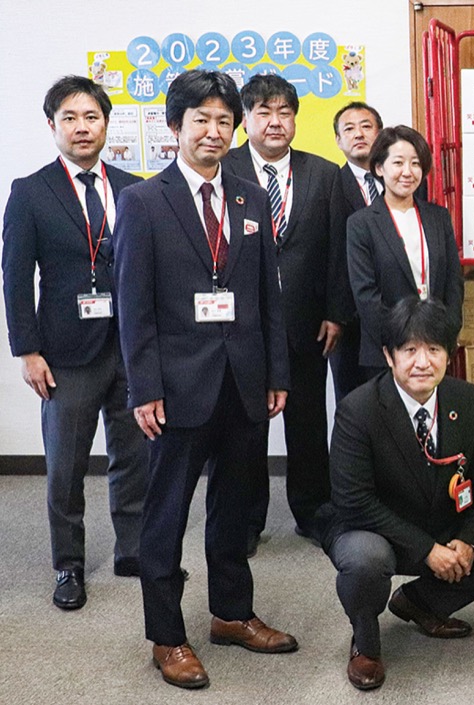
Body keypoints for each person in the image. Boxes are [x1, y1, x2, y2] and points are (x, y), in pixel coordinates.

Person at [113, 70, 295, 690]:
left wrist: (275, 371)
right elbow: (133, 306)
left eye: (224, 121)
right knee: (165, 516)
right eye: (201, 120)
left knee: (235, 507)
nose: (214, 131)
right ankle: (167, 636)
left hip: (243, 381)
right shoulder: (143, 202)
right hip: (175, 388)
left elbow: (267, 295)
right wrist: (144, 388)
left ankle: (232, 614)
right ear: (175, 127)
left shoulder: (249, 198)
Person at [319, 297, 474, 690]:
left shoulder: (465, 399)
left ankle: (420, 603)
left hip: (441, 521)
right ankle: (365, 643)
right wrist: (427, 550)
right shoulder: (358, 409)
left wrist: (468, 540)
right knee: (365, 560)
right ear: (389, 356)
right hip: (374, 529)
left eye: (434, 349)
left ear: (448, 355)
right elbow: (354, 501)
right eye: (409, 350)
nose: (422, 362)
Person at [2, 75, 147, 610]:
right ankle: (68, 564)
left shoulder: (135, 188)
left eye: (91, 117)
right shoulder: (30, 192)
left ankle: (133, 549)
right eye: (70, 118)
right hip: (65, 353)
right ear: (52, 126)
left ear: (106, 124)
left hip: (130, 347)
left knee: (134, 455)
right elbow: (16, 277)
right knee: (65, 466)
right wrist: (28, 351)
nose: (82, 127)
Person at [222, 73, 353, 551]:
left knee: (308, 423)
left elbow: (337, 251)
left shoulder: (324, 173)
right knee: (245, 428)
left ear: (295, 119)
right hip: (242, 326)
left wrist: (335, 313)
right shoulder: (224, 169)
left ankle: (312, 510)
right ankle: (245, 519)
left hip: (305, 324)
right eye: (264, 112)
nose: (275, 122)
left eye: (284, 112)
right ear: (246, 120)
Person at [346, 125, 462, 379]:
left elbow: (454, 284)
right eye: (398, 163)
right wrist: (403, 345)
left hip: (435, 349)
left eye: (415, 164)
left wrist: (443, 336)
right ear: (379, 168)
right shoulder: (361, 223)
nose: (408, 172)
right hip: (386, 352)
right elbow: (365, 295)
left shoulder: (438, 217)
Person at [330, 101, 383, 400]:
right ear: (338, 140)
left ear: (381, 134)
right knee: (352, 402)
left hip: (399, 315)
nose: (358, 134)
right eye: (349, 129)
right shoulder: (329, 185)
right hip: (349, 321)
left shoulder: (404, 180)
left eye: (366, 126)